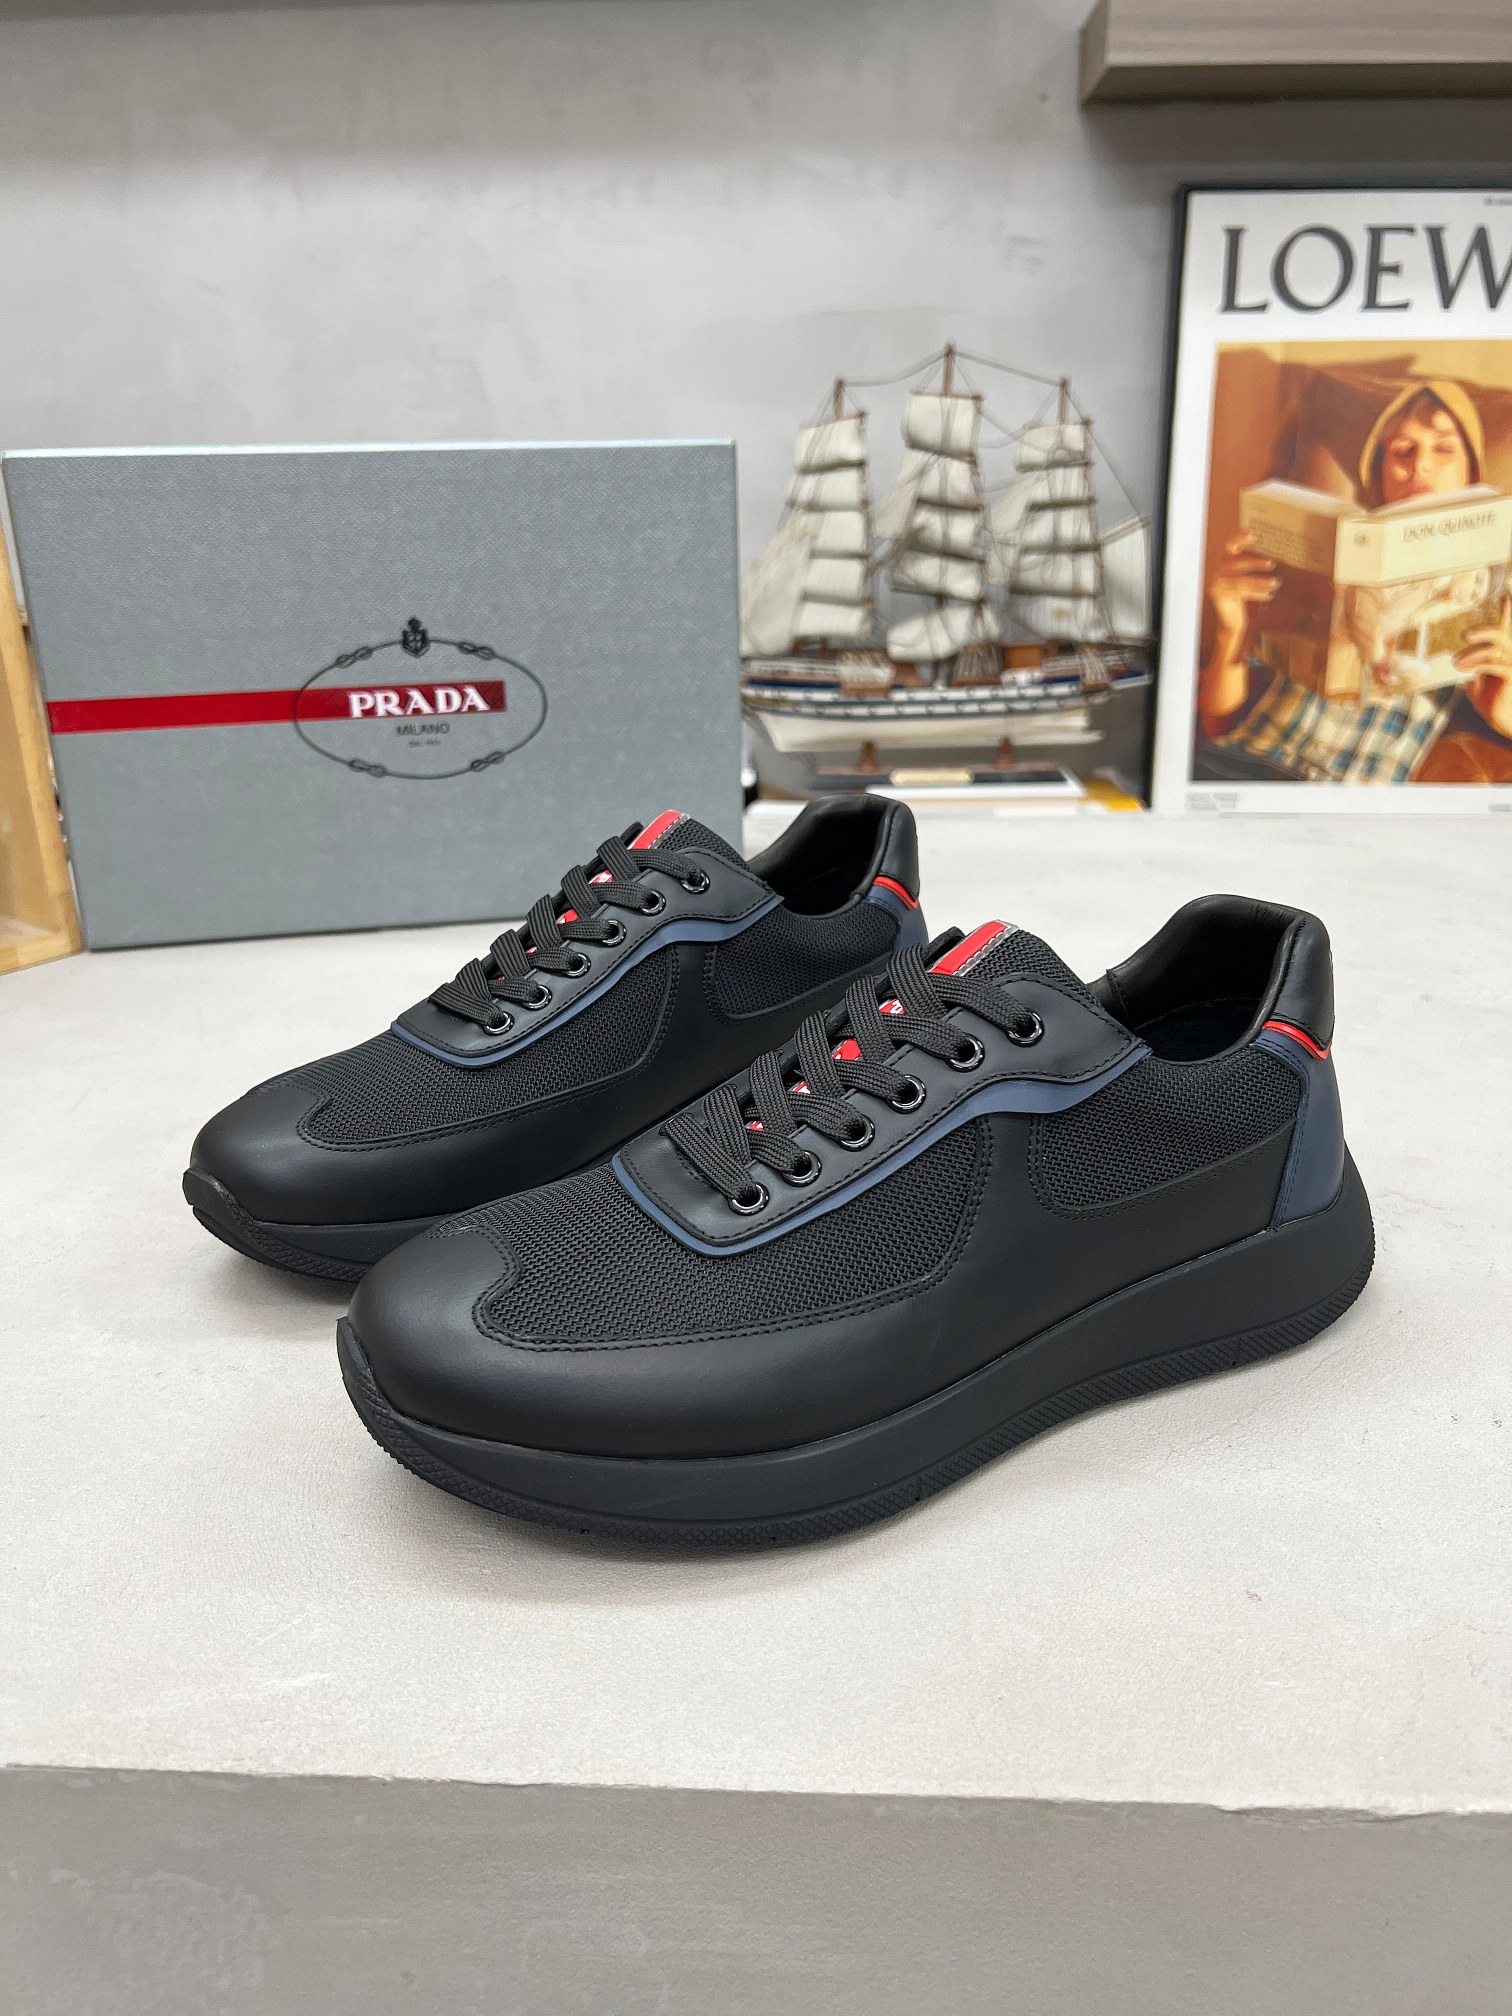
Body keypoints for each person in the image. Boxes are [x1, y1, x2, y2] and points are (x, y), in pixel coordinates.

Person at [1197, 378, 1512, 784]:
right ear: (1379, 478)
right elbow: (1218, 726)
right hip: (1243, 770)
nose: (1420, 464)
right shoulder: (1324, 557)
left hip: (1344, 793)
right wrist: (1231, 632)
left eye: (1444, 448)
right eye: (1403, 450)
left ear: (1471, 474)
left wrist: (1504, 711)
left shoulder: (1495, 585)